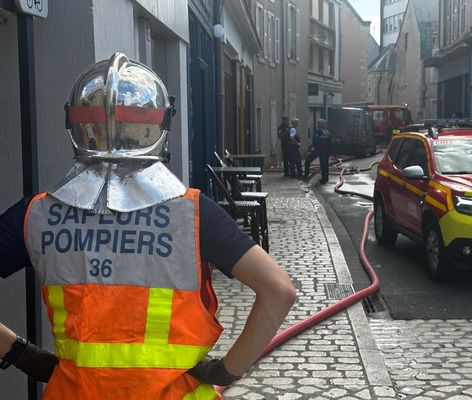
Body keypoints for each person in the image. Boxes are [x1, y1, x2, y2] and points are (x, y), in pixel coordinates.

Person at [0, 53, 296, 399]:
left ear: (77, 125)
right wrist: (225, 370)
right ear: (158, 126)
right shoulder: (195, 214)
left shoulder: (35, 214)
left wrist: (21, 355)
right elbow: (279, 291)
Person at [304, 119, 332, 184]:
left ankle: (306, 175)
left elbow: (315, 141)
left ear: (320, 124)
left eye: (318, 123)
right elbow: (330, 141)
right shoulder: (328, 132)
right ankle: (325, 178)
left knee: (308, 160)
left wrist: (310, 148)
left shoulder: (318, 131)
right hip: (326, 150)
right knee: (324, 164)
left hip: (318, 149)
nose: (317, 124)